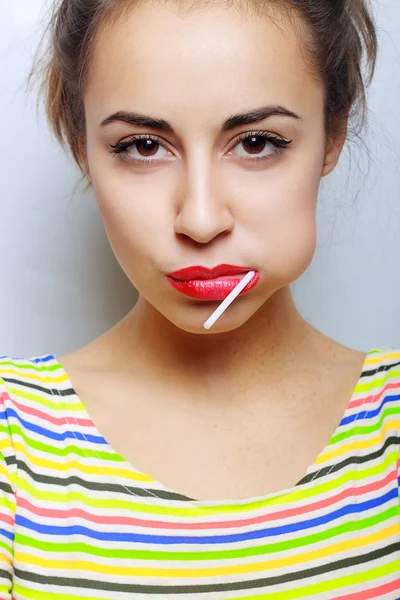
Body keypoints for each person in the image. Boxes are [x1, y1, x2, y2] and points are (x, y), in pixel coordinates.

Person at [0, 0, 399, 597]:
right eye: (141, 146)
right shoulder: (14, 442)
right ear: (83, 146)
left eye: (258, 142)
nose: (201, 218)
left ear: (332, 134)